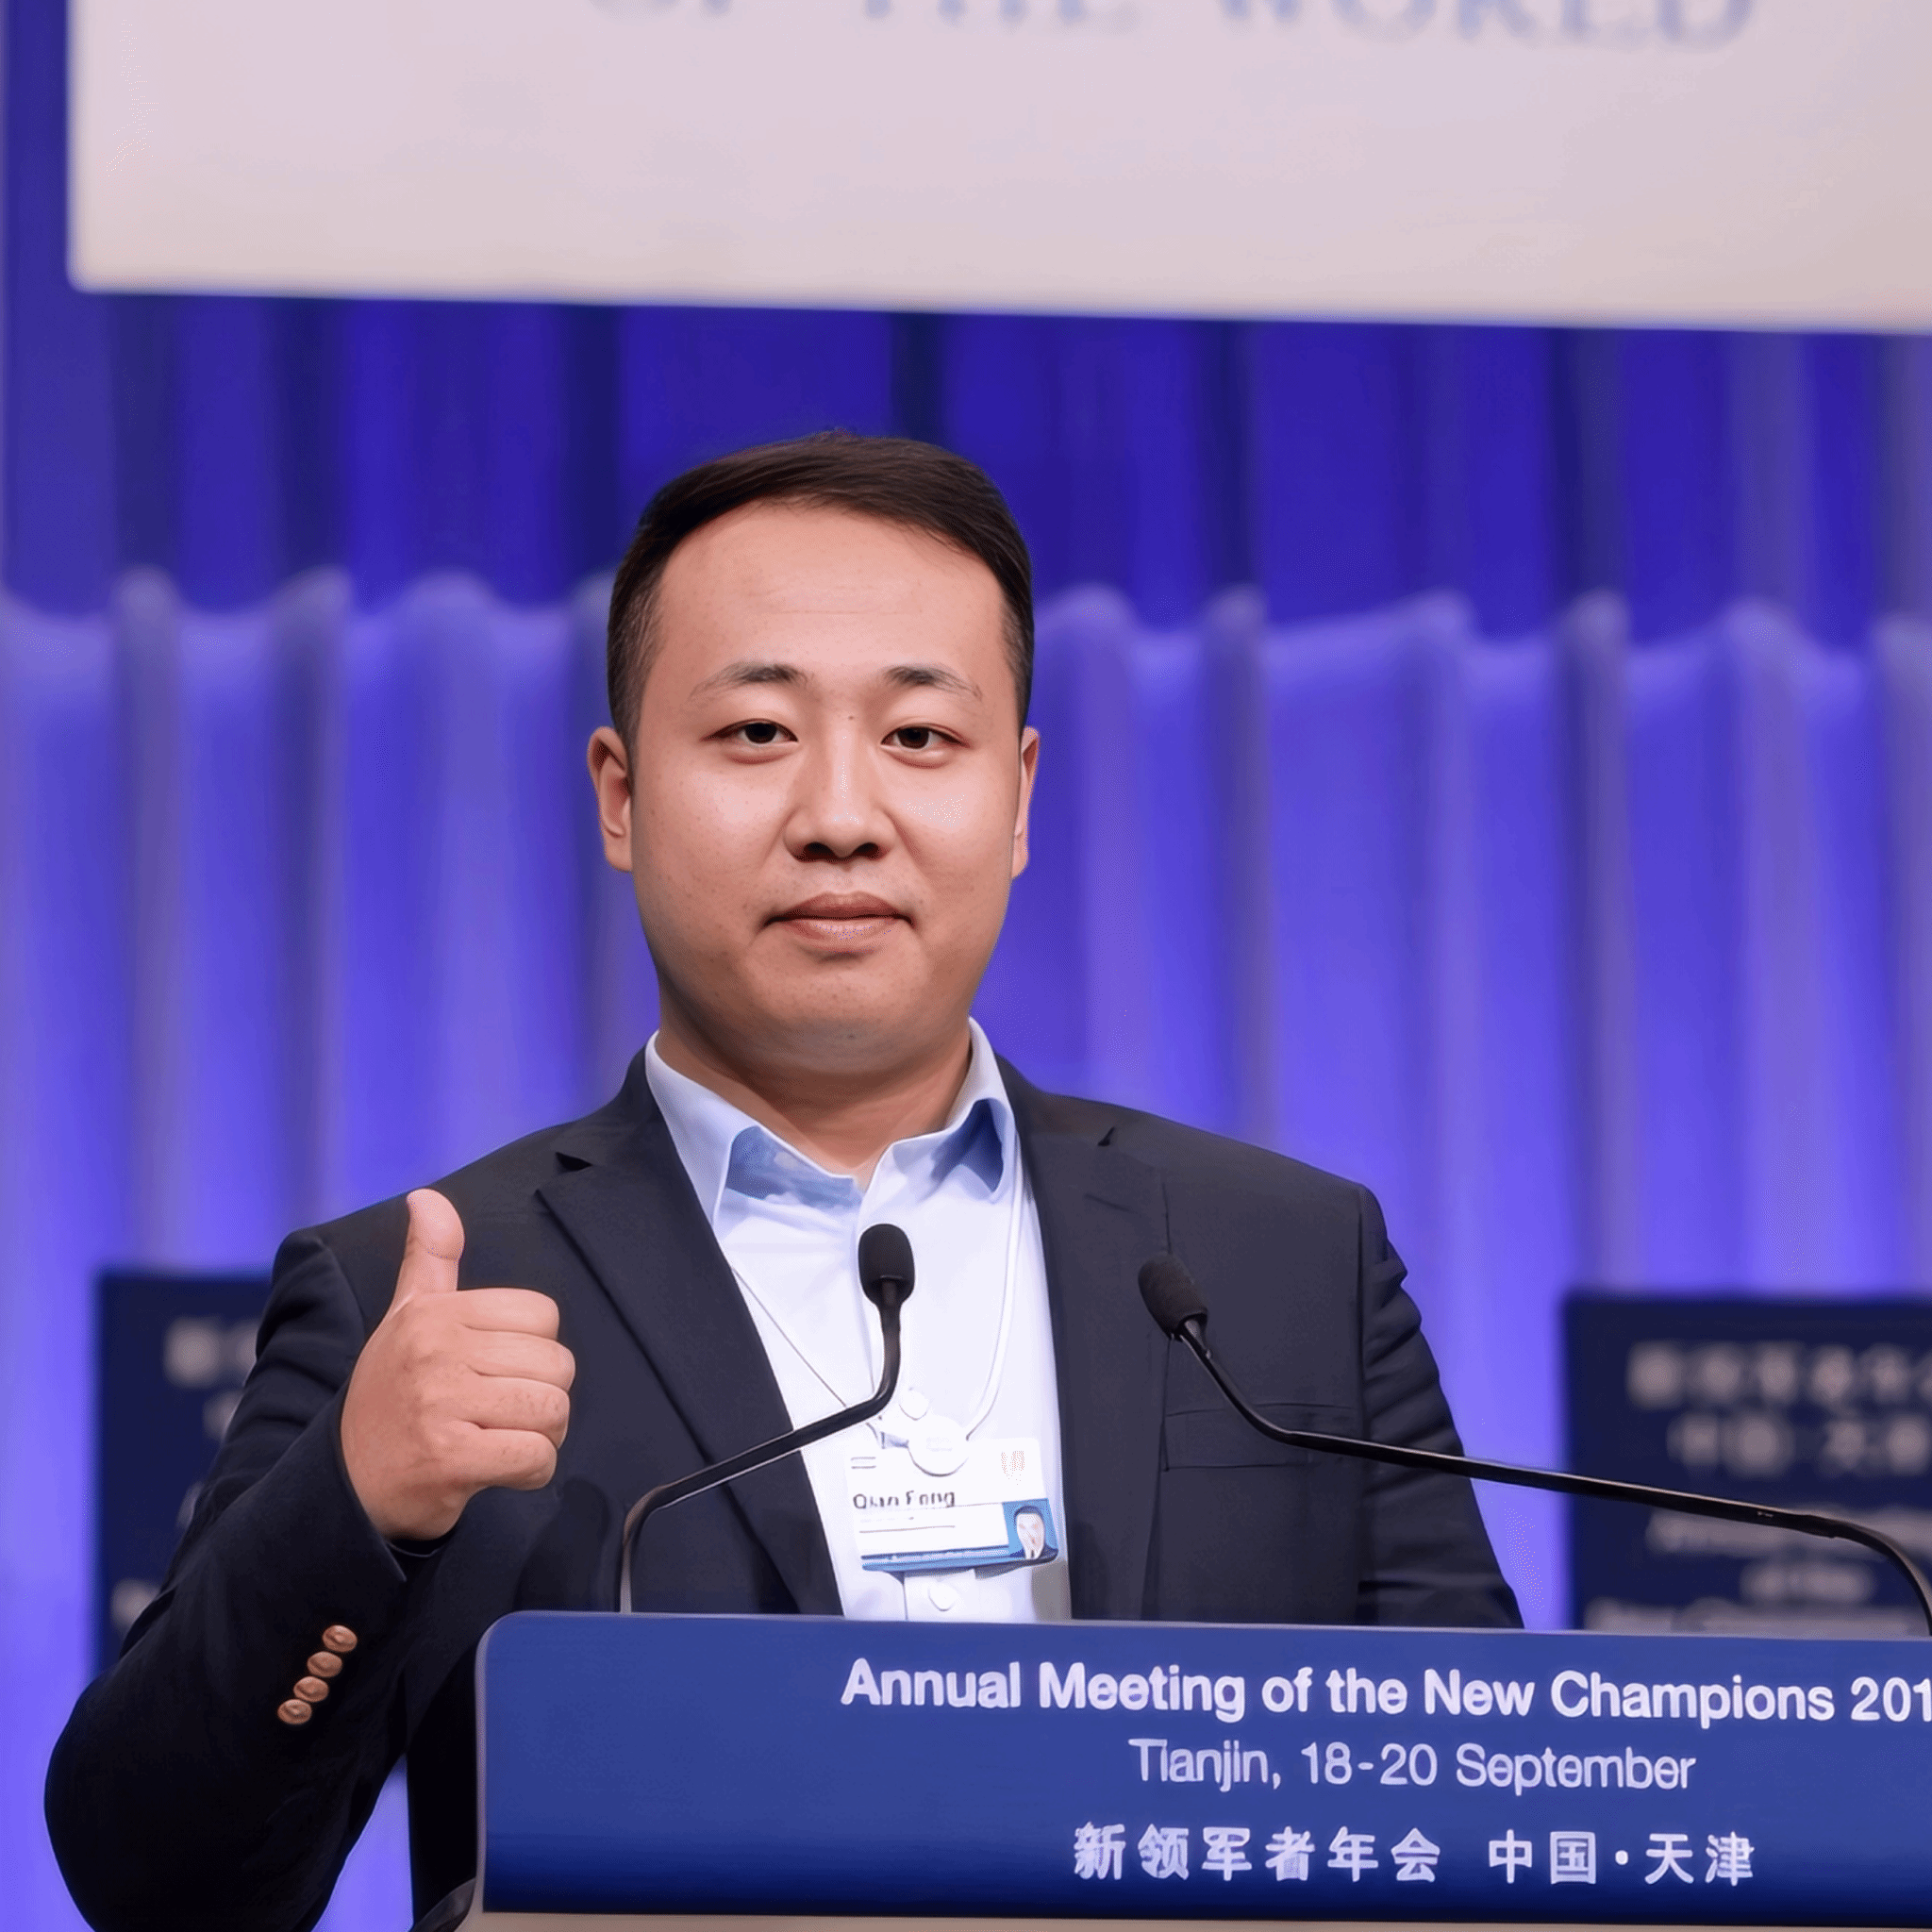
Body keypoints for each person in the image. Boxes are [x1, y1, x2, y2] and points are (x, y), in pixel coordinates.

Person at [47, 434, 1516, 1932]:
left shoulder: (1276, 1261)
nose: (840, 814)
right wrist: (357, 1506)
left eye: (920, 737)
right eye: (756, 732)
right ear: (621, 795)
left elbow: (1488, 1810)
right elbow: (159, 1884)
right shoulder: (433, 1292)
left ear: (1018, 797)